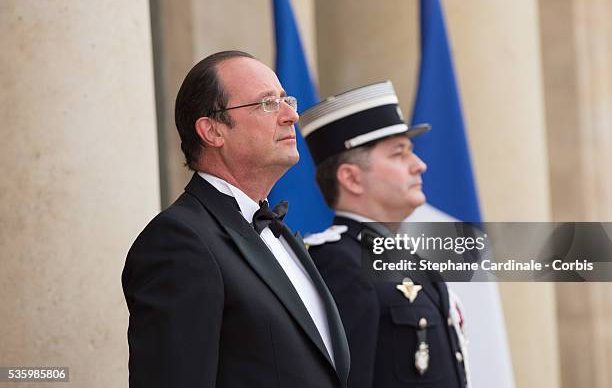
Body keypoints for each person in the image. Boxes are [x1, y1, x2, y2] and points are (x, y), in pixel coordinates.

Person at [121, 50, 349, 388]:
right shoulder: (179, 242)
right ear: (212, 131)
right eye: (267, 103)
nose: (291, 116)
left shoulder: (278, 232)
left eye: (287, 100)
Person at [300, 81, 469, 387]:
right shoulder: (338, 262)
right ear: (351, 178)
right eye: (398, 154)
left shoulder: (406, 258)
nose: (419, 165)